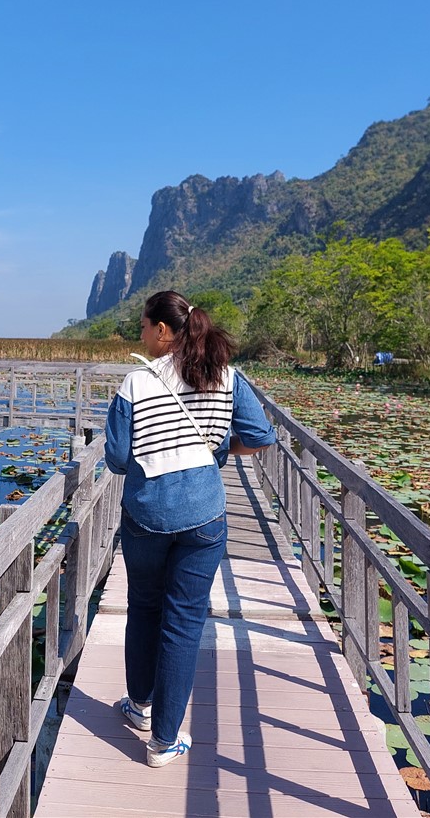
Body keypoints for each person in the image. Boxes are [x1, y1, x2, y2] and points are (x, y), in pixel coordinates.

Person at [104, 290, 275, 767]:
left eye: (142, 326)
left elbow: (117, 460)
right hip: (205, 516)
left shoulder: (135, 382)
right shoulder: (227, 376)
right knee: (182, 625)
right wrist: (215, 452)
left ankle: (138, 707)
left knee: (143, 607)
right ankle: (164, 741)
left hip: (146, 516)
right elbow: (262, 437)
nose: (139, 334)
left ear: (162, 331)